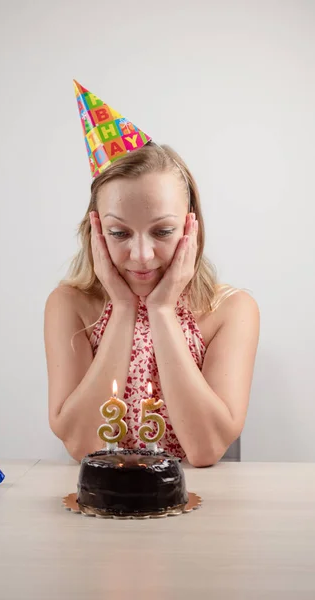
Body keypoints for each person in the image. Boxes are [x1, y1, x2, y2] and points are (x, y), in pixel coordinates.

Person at [44, 83, 260, 467]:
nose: (142, 256)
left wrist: (161, 311)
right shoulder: (70, 304)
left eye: (162, 231)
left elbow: (206, 449)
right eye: (119, 233)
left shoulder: (232, 309)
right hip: (104, 510)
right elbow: (81, 444)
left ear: (191, 228)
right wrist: (124, 309)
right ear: (96, 231)